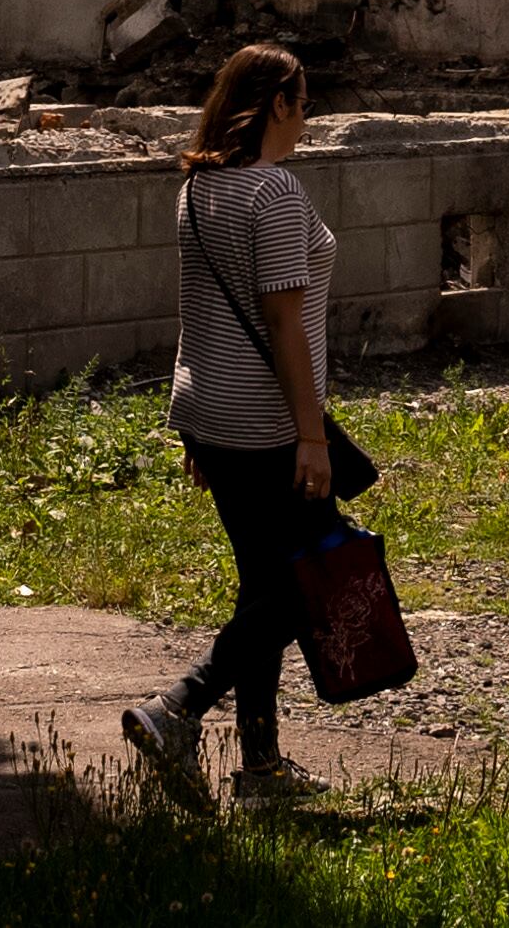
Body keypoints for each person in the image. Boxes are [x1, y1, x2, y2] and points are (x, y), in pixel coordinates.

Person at [121, 42, 338, 807]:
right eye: (304, 102)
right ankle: (177, 707)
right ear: (279, 102)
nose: (308, 117)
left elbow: (198, 313)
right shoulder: (274, 192)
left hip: (211, 413)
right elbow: (283, 324)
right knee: (298, 590)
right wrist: (311, 437)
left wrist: (193, 429)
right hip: (266, 425)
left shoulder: (199, 187)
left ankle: (263, 769)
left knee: (261, 587)